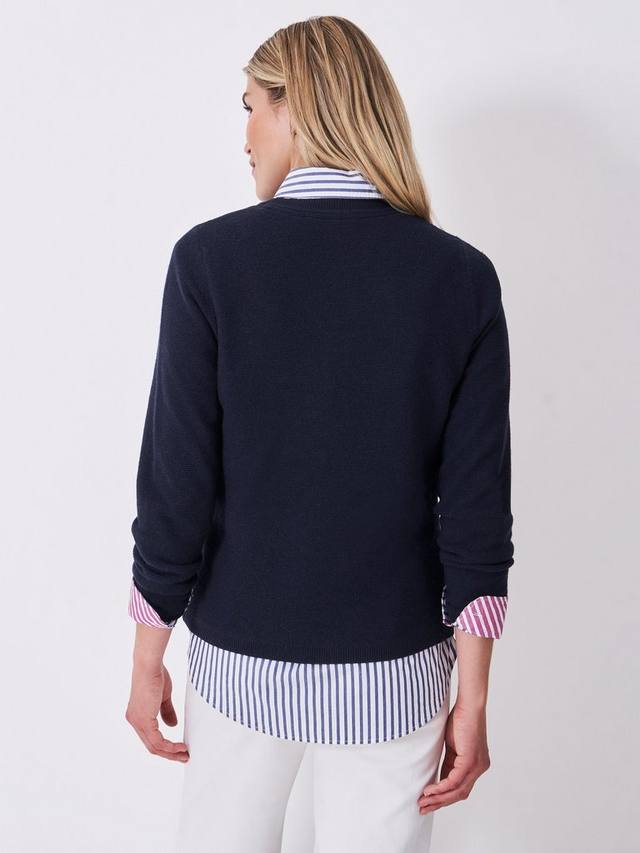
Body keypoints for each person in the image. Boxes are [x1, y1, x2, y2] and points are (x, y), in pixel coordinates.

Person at [124, 15, 514, 853]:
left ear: (295, 107)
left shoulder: (210, 262)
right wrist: (475, 697)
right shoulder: (461, 279)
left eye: (251, 107)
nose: (245, 136)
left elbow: (177, 487)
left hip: (241, 662)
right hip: (397, 672)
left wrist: (147, 652)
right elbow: (476, 512)